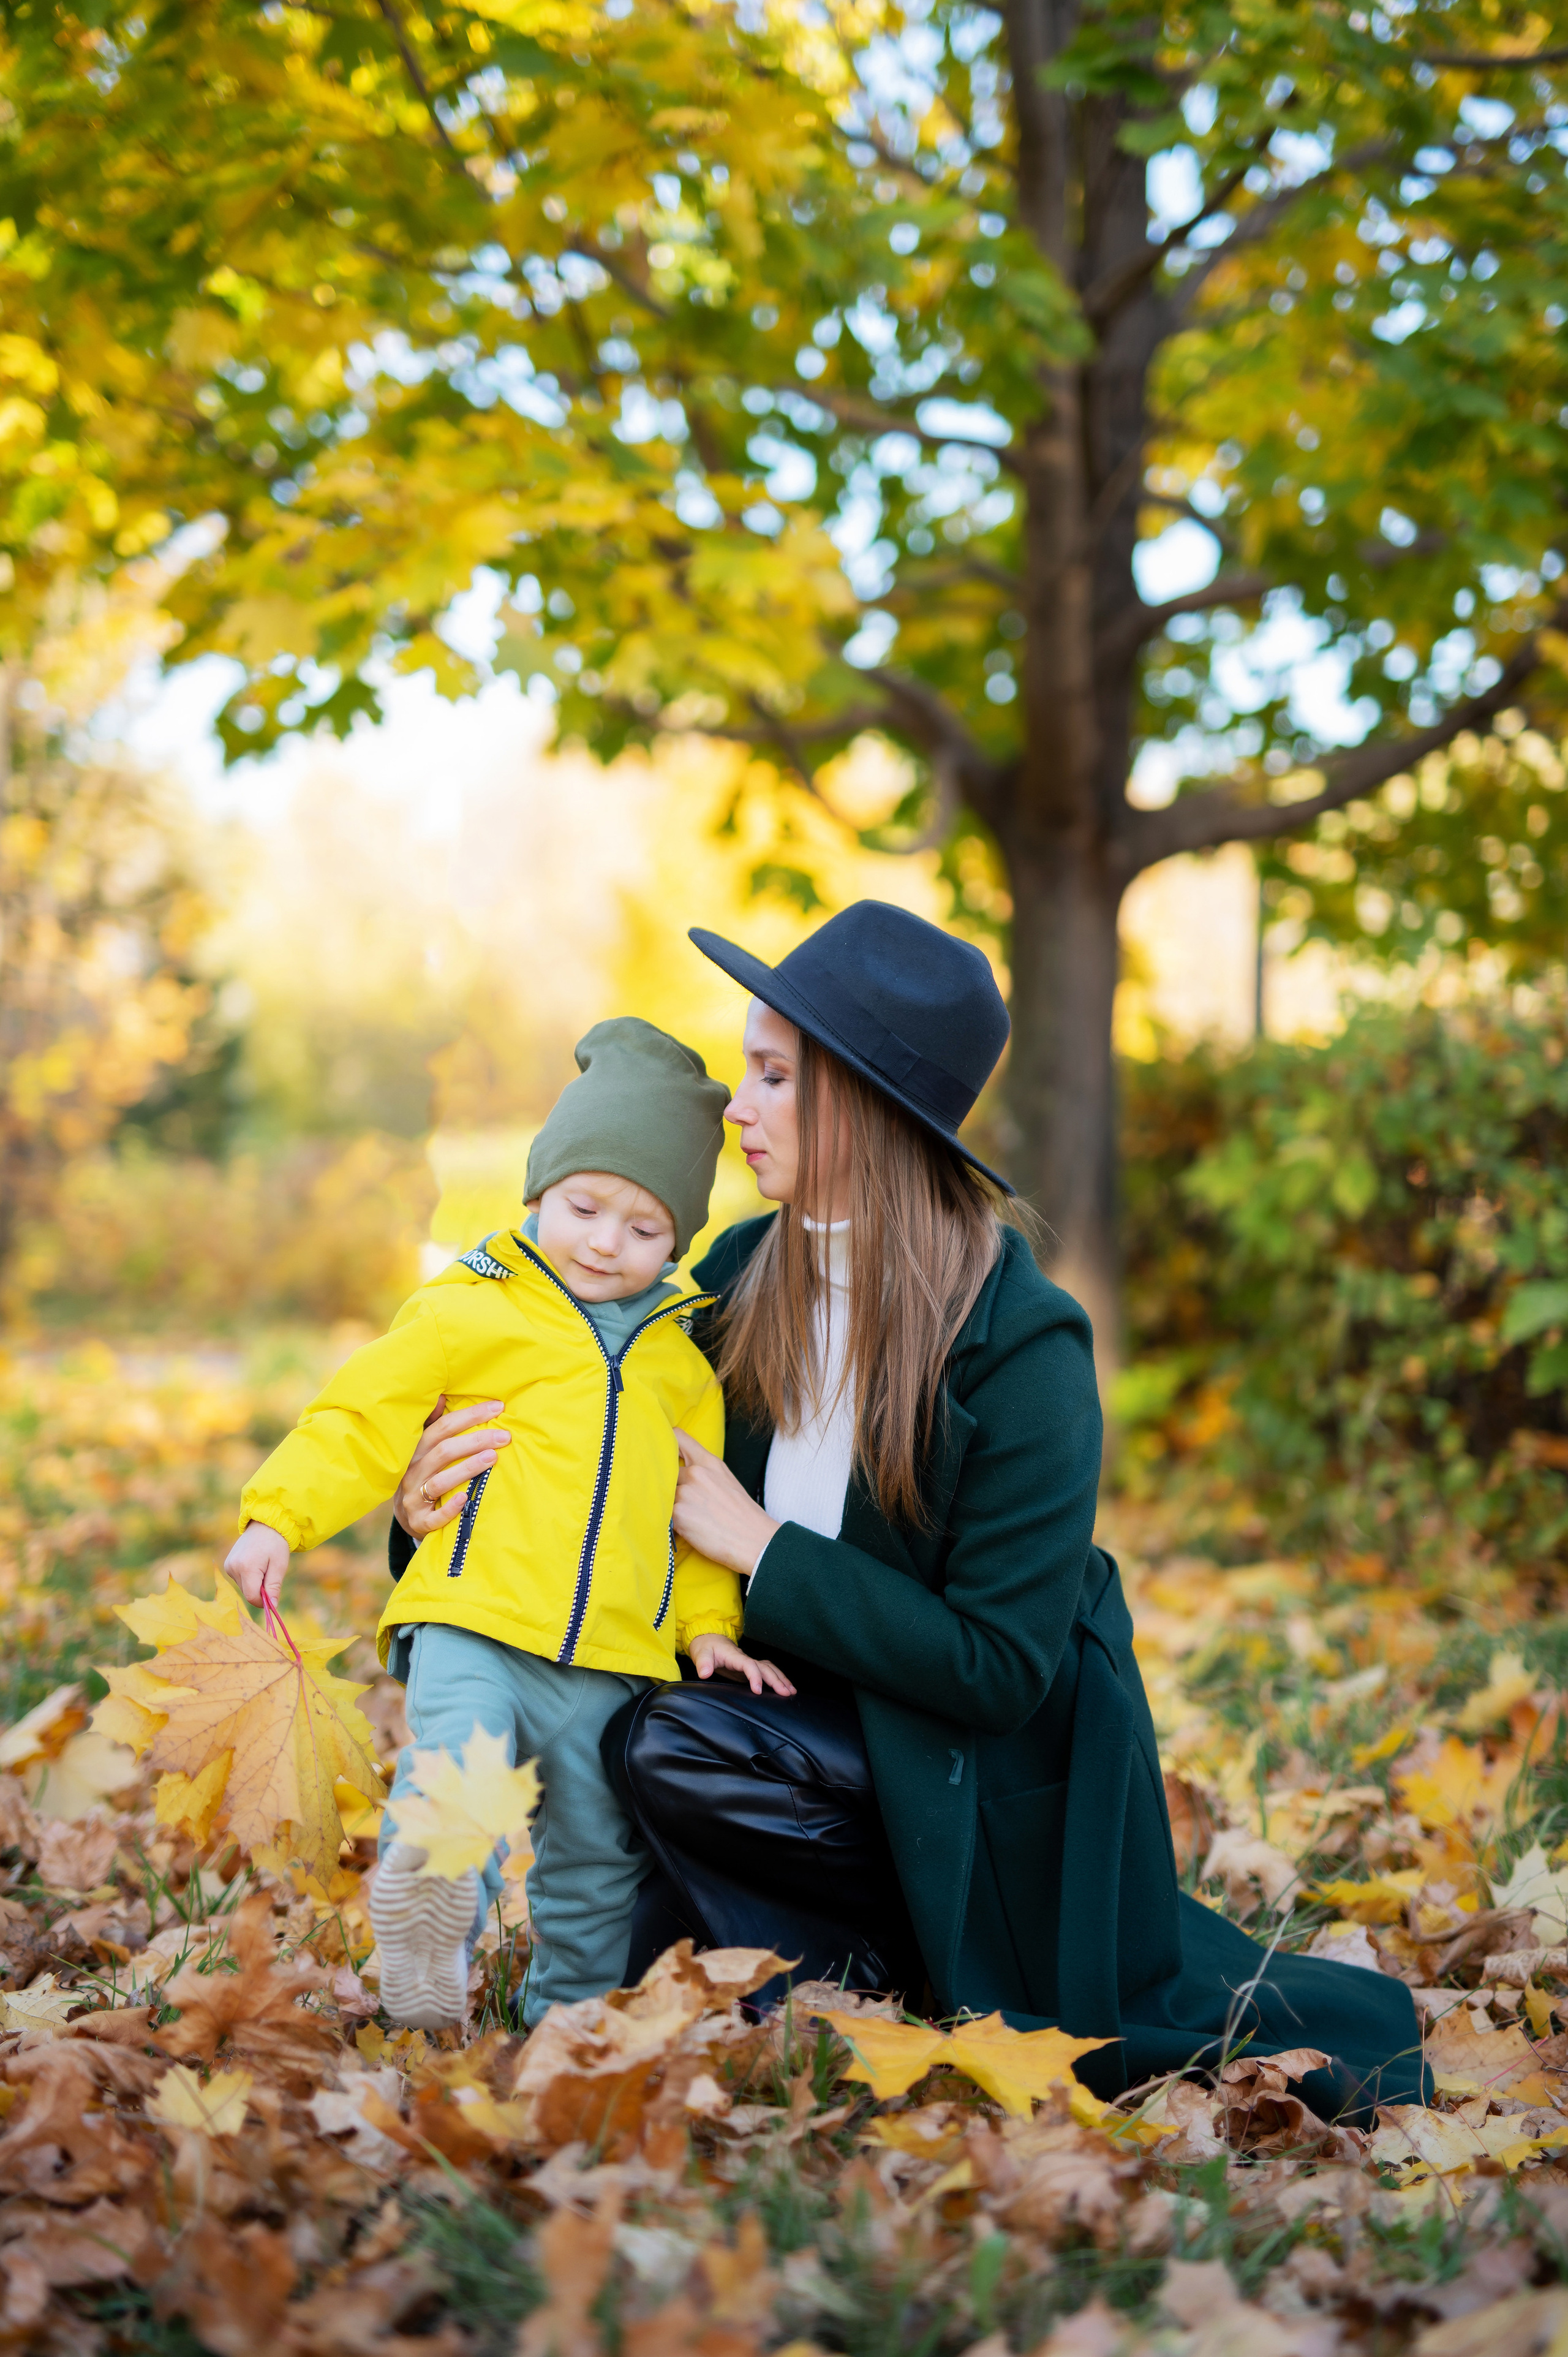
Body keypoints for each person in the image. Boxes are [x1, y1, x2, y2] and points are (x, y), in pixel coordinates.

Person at [394, 904, 1427, 2119]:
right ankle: (799, 1968)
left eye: (774, 1077)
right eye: (746, 1071)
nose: (736, 1108)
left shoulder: (1017, 1343)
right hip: (774, 1740)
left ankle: (878, 1966)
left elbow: (996, 1667)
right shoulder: (729, 1276)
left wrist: (763, 1550)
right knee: (645, 1732)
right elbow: (589, 1474)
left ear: (869, 1107)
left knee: (664, 1742)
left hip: (967, 1771)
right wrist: (425, 1514)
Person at [227, 1016, 790, 2034]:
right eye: (583, 1207)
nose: (606, 1241)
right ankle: (427, 1938)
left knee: (597, 1856)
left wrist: (708, 1628)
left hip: (611, 1662)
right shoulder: (466, 1312)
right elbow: (358, 1419)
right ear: (538, 1192)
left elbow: (697, 1527)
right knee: (461, 1779)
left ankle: (565, 2019)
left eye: (646, 1228)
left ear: (681, 1243)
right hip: (475, 1624)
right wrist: (277, 1517)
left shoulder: (682, 1368)